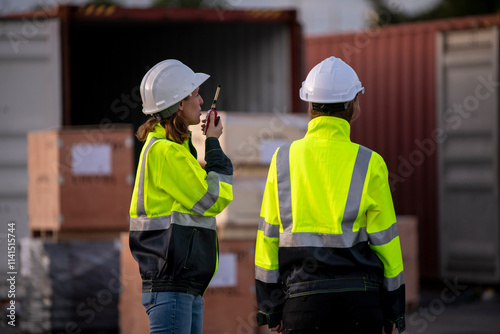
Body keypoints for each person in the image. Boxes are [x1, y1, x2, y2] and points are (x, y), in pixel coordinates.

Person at [254, 56, 405, 334]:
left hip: (302, 302)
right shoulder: (369, 162)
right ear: (352, 105)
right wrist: (394, 309)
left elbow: (268, 238)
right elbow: (387, 244)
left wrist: (269, 306)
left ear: (310, 105)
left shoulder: (283, 159)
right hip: (361, 302)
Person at [129, 59, 233, 334]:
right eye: (195, 95)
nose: (201, 101)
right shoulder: (166, 153)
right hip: (171, 283)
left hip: (182, 282)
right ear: (178, 105)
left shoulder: (175, 149)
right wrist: (213, 144)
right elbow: (213, 199)